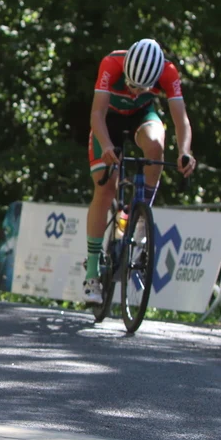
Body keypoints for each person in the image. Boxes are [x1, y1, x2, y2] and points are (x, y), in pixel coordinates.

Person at [83, 38, 197, 303]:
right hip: (109, 119)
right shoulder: (111, 63)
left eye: (141, 87)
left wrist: (184, 152)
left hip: (142, 116)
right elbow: (97, 114)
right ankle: (91, 273)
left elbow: (181, 119)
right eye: (131, 84)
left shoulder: (168, 72)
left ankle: (142, 213)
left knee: (156, 146)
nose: (134, 91)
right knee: (105, 188)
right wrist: (107, 145)